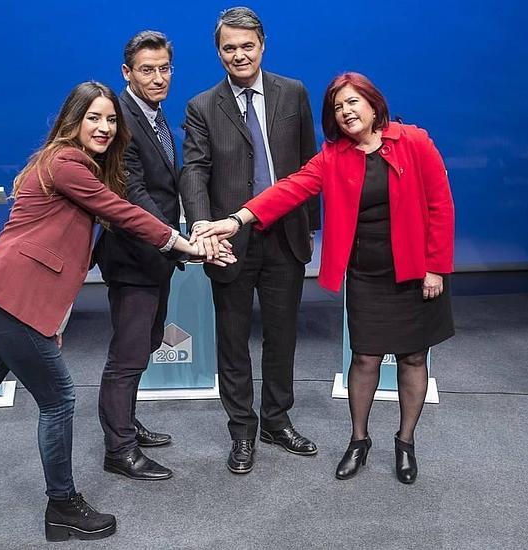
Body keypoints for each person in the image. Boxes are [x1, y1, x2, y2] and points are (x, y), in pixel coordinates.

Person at [0, 81, 233, 542]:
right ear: (73, 120)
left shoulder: (65, 164)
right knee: (58, 400)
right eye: (94, 118)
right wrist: (187, 245)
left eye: (110, 119)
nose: (104, 127)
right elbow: (123, 212)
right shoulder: (67, 163)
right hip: (12, 301)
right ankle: (62, 505)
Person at [194, 72, 455, 484]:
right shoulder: (333, 156)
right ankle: (359, 440)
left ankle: (405, 443)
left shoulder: (414, 141)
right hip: (366, 273)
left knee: (413, 357)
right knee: (365, 357)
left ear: (373, 104)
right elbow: (290, 189)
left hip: (414, 271)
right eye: (337, 107)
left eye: (353, 102)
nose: (346, 112)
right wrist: (236, 219)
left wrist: (436, 266)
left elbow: (441, 205)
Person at [179, 6, 321, 475]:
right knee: (233, 340)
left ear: (263, 44)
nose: (238, 55)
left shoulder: (294, 92)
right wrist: (201, 228)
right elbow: (194, 169)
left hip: (285, 236)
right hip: (227, 239)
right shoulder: (202, 106)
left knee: (282, 337)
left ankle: (276, 421)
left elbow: (309, 163)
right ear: (218, 52)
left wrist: (312, 225)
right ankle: (242, 431)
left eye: (247, 45)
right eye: (228, 48)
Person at [92, 30, 187, 481]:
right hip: (133, 258)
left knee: (145, 345)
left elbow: (168, 183)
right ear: (127, 73)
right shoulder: (123, 118)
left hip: (156, 257)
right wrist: (174, 237)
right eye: (147, 70)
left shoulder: (157, 116)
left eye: (164, 68)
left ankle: (124, 423)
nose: (158, 78)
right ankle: (119, 449)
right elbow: (131, 191)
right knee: (127, 355)